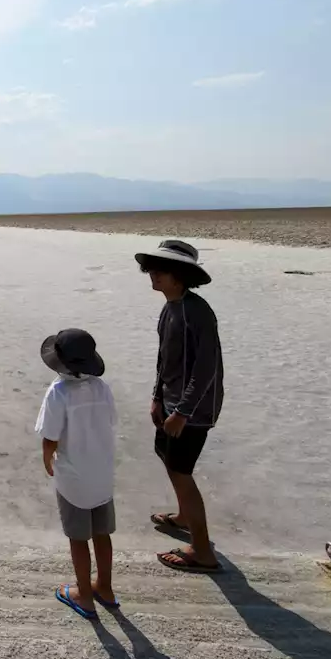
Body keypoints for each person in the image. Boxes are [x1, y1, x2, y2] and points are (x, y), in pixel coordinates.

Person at [136, 239, 224, 574]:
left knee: (182, 473)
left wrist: (183, 412)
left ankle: (203, 552)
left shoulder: (197, 312)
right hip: (172, 404)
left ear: (180, 276)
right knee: (169, 460)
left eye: (160, 270)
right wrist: (157, 397)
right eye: (152, 269)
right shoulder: (169, 308)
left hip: (193, 410)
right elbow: (164, 359)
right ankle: (184, 516)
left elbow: (206, 368)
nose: (153, 275)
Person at [35, 328, 120, 619]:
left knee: (78, 538)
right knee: (102, 533)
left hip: (74, 478)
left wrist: (47, 459)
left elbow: (50, 436)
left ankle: (84, 594)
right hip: (102, 474)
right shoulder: (101, 387)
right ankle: (105, 588)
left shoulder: (58, 392)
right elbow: (110, 421)